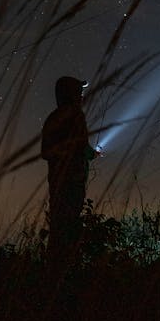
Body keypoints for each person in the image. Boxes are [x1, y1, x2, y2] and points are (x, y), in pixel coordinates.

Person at [40, 76, 97, 261]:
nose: (82, 96)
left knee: (58, 224)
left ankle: (53, 265)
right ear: (71, 94)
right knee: (69, 224)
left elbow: (46, 151)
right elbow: (81, 146)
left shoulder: (52, 118)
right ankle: (64, 269)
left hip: (56, 181)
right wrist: (91, 154)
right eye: (79, 92)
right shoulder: (75, 115)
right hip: (72, 181)